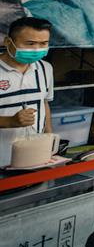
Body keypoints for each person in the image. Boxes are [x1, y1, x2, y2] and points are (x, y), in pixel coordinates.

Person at [0, 17, 53, 167]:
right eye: (30, 43)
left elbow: (45, 103)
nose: (37, 49)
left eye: (43, 43)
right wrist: (10, 121)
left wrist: (49, 138)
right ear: (8, 42)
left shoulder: (45, 69)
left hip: (34, 156)